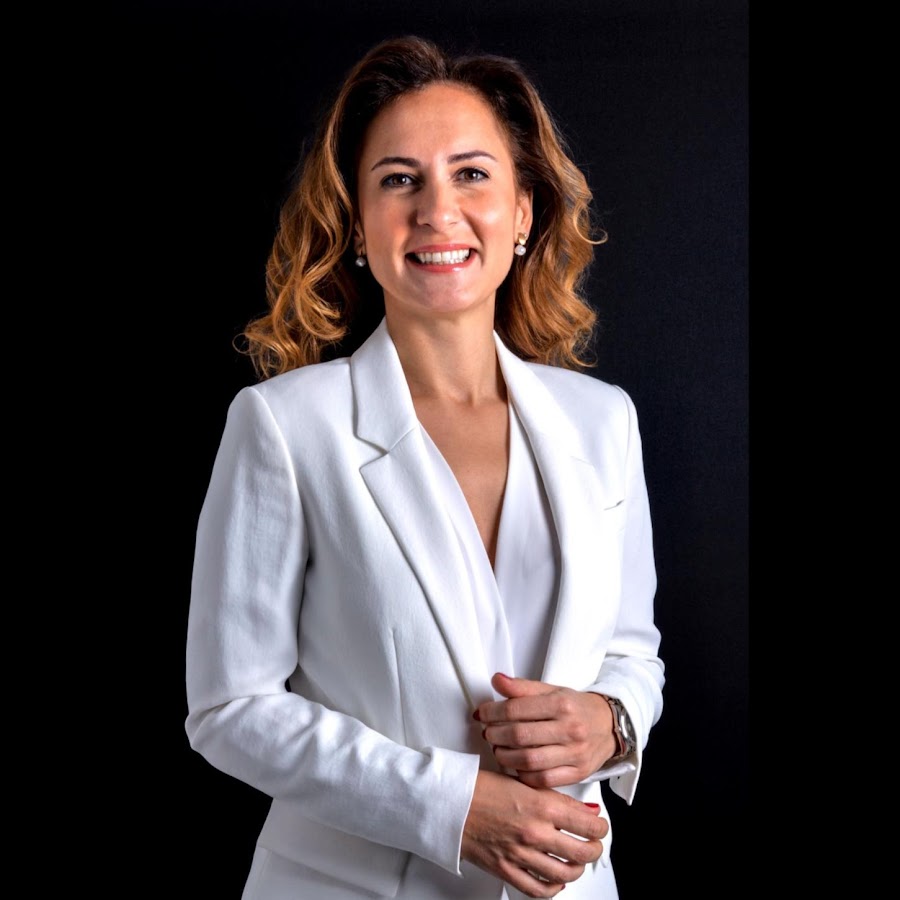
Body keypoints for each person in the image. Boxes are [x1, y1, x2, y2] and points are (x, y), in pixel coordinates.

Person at [185, 34, 664, 900]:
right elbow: (230, 708)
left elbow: (633, 652)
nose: (439, 211)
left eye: (472, 174)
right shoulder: (284, 427)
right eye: (399, 179)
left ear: (523, 212)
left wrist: (614, 722)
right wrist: (451, 808)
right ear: (357, 224)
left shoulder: (604, 422)